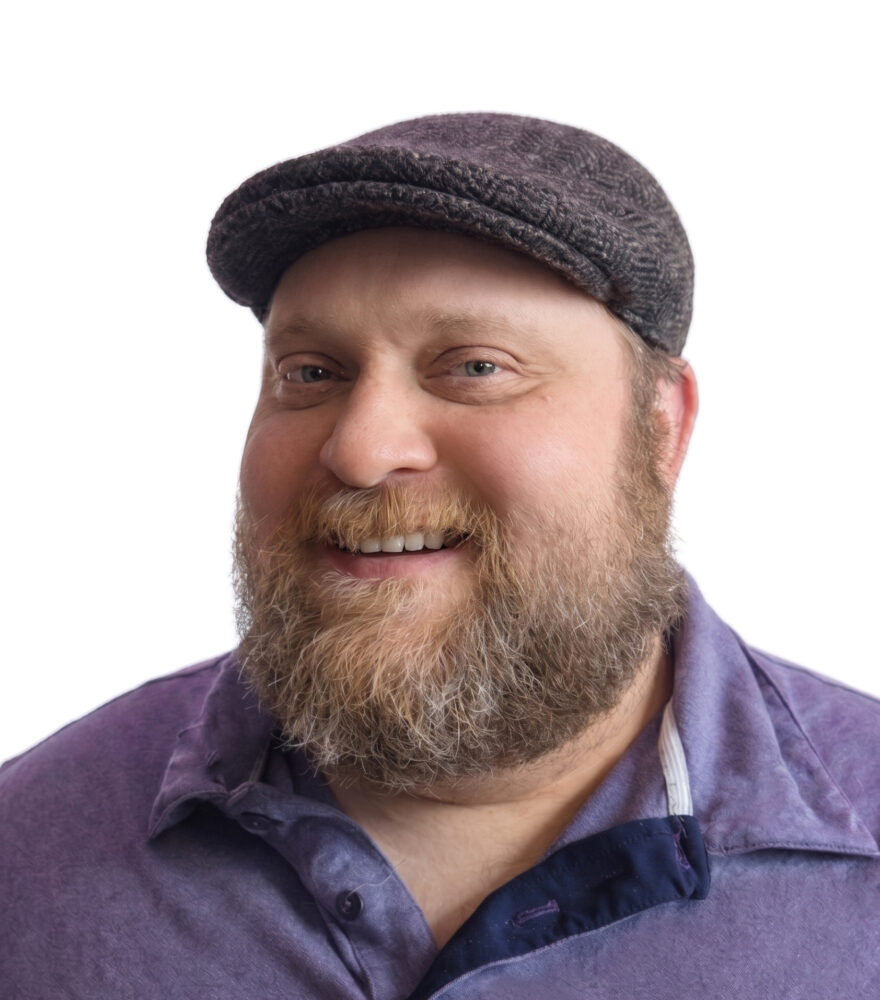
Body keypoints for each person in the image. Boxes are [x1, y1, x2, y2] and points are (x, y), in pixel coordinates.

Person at [1, 113, 878, 999]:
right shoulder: (23, 854)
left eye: (475, 367)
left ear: (660, 427)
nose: (360, 449)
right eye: (311, 372)